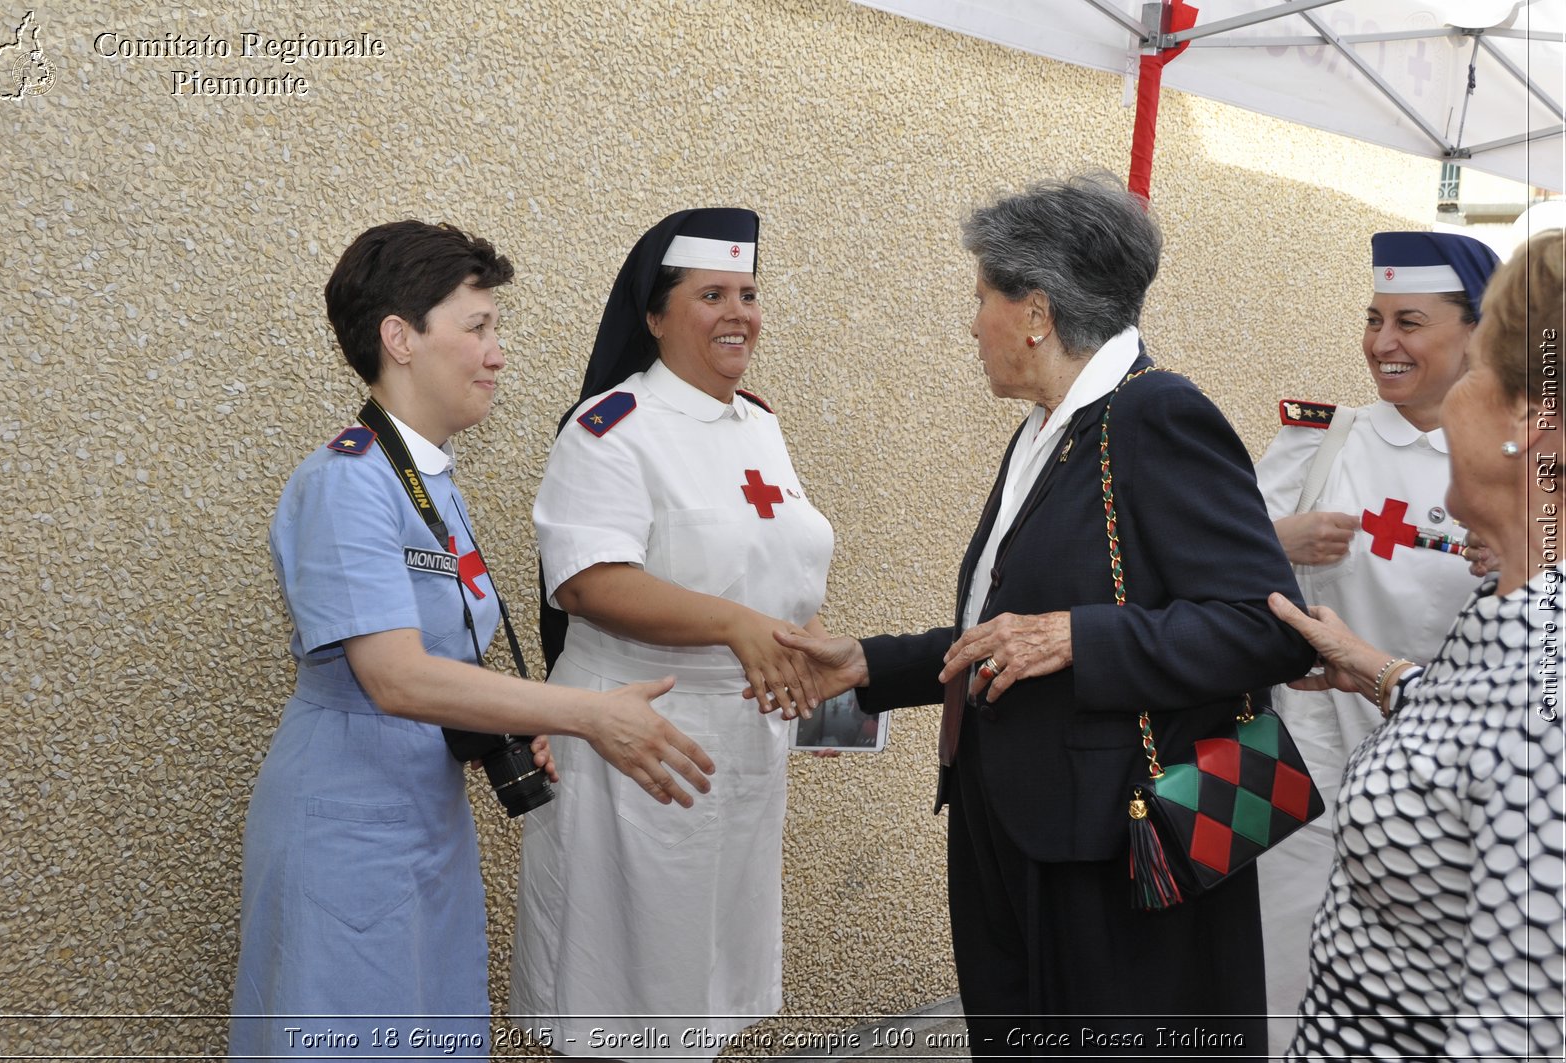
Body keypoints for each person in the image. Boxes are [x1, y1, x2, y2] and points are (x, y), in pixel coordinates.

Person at [774, 174, 1315, 1058]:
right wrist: (868, 665)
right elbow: (1007, 632)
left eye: (979, 297)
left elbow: (1266, 628)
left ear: (1035, 312)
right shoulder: (1051, 427)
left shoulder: (1156, 414)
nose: (970, 321)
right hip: (1016, 824)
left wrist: (1080, 635)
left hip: (1115, 848)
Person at [229, 221, 714, 1060]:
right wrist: (585, 713)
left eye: (498, 328)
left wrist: (509, 718)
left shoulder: (425, 478)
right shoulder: (345, 482)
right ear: (400, 338)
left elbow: (446, 663)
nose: (497, 352)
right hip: (348, 824)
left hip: (423, 815)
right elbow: (396, 677)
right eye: (477, 326)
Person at [509, 209, 835, 1061]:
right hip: (639, 743)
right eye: (712, 294)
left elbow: (776, 572)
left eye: (750, 293)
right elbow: (587, 578)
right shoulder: (612, 427)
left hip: (742, 747)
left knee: (707, 988)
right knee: (628, 993)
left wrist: (813, 671)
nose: (739, 313)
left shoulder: (759, 426)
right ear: (654, 316)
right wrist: (735, 624)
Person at [1269, 228, 1565, 1060]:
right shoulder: (1510, 614)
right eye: (1373, 318)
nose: (1381, 343)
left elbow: (1519, 1005)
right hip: (1311, 766)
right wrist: (1372, 665)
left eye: (1410, 321)